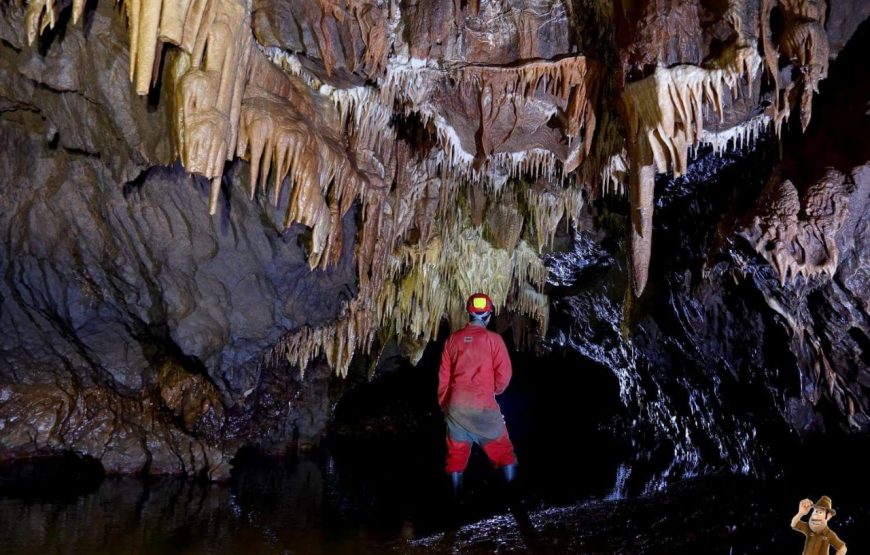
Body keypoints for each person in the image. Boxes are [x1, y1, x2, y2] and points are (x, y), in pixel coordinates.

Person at [438, 292, 517, 496]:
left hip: (456, 407)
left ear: (469, 314)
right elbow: (504, 374)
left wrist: (445, 405)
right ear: (489, 315)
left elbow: (444, 378)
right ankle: (512, 501)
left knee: (456, 454)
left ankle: (455, 506)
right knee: (503, 452)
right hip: (483, 405)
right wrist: (494, 391)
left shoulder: (452, 341)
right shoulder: (494, 340)